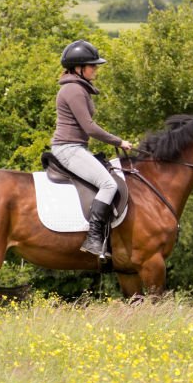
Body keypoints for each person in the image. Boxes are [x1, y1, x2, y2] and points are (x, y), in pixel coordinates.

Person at [51, 40, 133, 257]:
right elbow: (89, 127)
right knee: (108, 184)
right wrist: (119, 142)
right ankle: (94, 238)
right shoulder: (74, 90)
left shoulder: (77, 88)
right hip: (68, 149)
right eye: (92, 65)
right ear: (79, 68)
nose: (96, 69)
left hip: (75, 147)